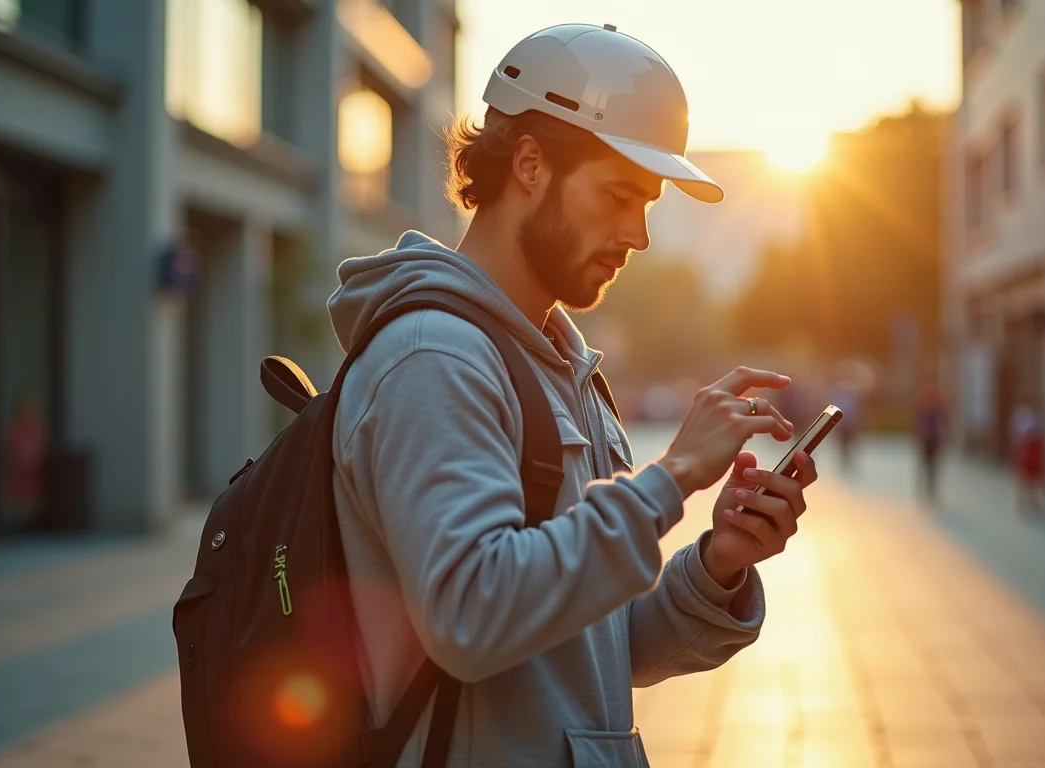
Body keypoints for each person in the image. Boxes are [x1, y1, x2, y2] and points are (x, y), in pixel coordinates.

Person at [325, 24, 822, 766]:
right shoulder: (434, 357)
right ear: (529, 164)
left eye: (649, 204)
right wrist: (673, 474)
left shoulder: (557, 364)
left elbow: (598, 658)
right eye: (621, 196)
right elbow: (472, 617)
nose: (640, 235)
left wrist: (719, 561)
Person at [1008, 394, 1045, 516]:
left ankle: (1032, 500)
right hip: (1025, 448)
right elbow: (1015, 433)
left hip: (1033, 448)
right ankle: (1024, 500)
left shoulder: (1035, 416)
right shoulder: (1020, 415)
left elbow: (1042, 433)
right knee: (1025, 476)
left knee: (1034, 476)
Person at [915, 382, 947, 504]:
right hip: (928, 439)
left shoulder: (937, 408)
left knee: (931, 466)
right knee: (928, 465)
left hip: (933, 439)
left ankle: (930, 490)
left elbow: (944, 422)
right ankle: (927, 490)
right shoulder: (924, 407)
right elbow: (918, 424)